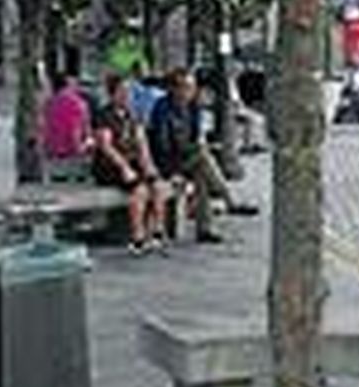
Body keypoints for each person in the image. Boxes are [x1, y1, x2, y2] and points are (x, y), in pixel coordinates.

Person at [148, 68, 258, 244]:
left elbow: (197, 135)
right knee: (202, 156)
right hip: (166, 162)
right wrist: (175, 167)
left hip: (188, 157)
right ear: (174, 89)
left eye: (191, 87)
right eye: (185, 87)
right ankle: (229, 200)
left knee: (202, 173)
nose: (189, 92)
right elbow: (162, 145)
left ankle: (205, 230)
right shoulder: (162, 108)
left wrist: (197, 145)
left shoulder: (193, 108)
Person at [93, 73, 167, 254]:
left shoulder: (133, 116)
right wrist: (125, 168)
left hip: (132, 163)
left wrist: (149, 166)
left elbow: (142, 144)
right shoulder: (104, 115)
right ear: (113, 94)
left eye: (130, 92)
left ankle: (157, 231)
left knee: (158, 186)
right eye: (122, 91)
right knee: (140, 190)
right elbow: (106, 146)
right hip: (110, 165)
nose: (127, 96)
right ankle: (137, 237)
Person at [40, 72, 93, 164]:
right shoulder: (78, 103)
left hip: (52, 156)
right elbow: (75, 131)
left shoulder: (49, 103)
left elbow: (43, 130)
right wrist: (84, 146)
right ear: (69, 84)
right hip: (74, 156)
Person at [128, 61, 164, 126]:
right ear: (134, 72)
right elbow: (133, 105)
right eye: (140, 70)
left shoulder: (156, 84)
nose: (143, 72)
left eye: (145, 69)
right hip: (145, 120)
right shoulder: (133, 87)